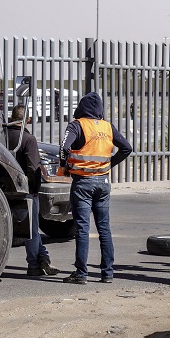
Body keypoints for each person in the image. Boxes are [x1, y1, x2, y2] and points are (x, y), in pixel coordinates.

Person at [58, 91, 132, 284]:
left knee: (82, 228)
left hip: (82, 183)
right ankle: (107, 273)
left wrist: (65, 166)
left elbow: (64, 147)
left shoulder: (77, 125)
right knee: (104, 229)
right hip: (103, 182)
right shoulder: (108, 127)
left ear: (81, 108)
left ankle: (81, 274)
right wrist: (109, 164)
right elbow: (127, 148)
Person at [6, 105, 60, 277]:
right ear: (28, 120)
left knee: (23, 229)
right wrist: (35, 190)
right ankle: (34, 264)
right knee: (31, 229)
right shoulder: (28, 139)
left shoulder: (2, 135)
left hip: (4, 187)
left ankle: (43, 258)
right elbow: (33, 168)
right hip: (25, 189)